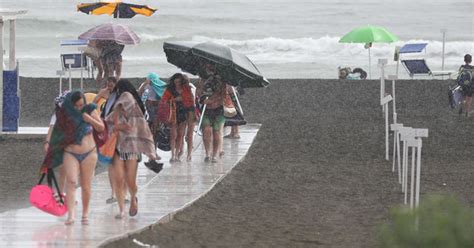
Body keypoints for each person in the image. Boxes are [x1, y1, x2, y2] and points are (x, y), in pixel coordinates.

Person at [42, 91, 105, 225]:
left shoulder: (90, 109)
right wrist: (50, 145)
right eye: (76, 105)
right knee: (71, 181)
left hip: (89, 153)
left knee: (86, 185)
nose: (78, 108)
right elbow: (56, 133)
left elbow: (101, 128)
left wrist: (90, 119)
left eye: (81, 105)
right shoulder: (65, 114)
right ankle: (71, 215)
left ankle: (85, 213)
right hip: (70, 153)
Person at [105, 79, 158, 219]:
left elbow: (144, 131)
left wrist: (151, 151)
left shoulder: (135, 112)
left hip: (131, 149)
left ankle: (133, 198)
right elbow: (106, 124)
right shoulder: (116, 108)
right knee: (119, 178)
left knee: (129, 179)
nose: (124, 105)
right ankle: (122, 210)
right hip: (117, 147)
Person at [161, 73, 195, 162]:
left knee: (180, 135)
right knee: (173, 135)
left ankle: (176, 154)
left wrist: (182, 99)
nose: (177, 83)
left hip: (183, 114)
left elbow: (191, 101)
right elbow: (164, 101)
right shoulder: (169, 90)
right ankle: (173, 154)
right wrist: (175, 100)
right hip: (173, 114)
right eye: (176, 81)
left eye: (179, 81)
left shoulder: (187, 89)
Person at [196, 63, 227, 163]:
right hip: (206, 109)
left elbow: (223, 95)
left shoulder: (221, 81)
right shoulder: (202, 80)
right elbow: (198, 92)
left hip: (218, 109)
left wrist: (213, 100)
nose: (209, 69)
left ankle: (214, 155)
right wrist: (203, 99)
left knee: (217, 132)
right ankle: (207, 153)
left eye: (211, 67)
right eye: (207, 67)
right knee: (206, 130)